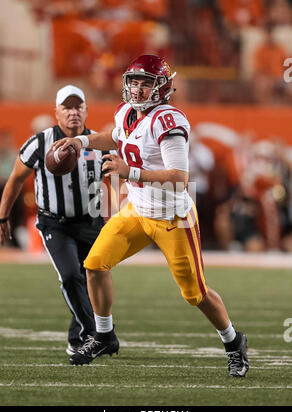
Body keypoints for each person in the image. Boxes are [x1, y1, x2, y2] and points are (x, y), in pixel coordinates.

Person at [53, 55, 249, 378]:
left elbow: (179, 176)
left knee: (195, 293)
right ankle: (104, 335)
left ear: (162, 87)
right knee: (94, 264)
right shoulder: (126, 112)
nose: (138, 88)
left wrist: (129, 171)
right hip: (138, 210)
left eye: (146, 82)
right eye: (134, 81)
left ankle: (233, 341)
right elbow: (116, 138)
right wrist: (82, 140)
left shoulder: (168, 121)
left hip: (172, 217)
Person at [0, 85, 111, 356]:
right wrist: (1, 216)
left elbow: (115, 179)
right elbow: (15, 179)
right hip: (54, 223)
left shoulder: (98, 141)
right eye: (67, 107)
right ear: (56, 112)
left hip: (92, 222)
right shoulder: (40, 142)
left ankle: (76, 338)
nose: (73, 113)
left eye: (78, 107)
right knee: (71, 276)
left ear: (86, 111)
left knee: (92, 280)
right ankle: (95, 334)